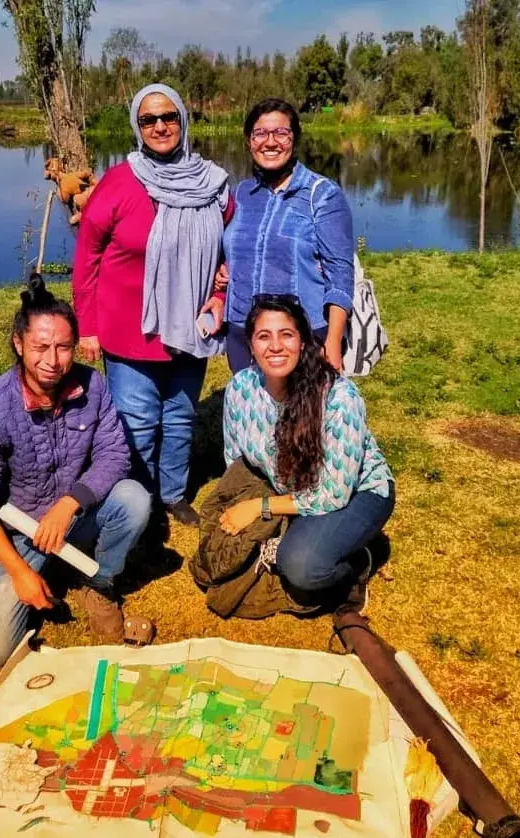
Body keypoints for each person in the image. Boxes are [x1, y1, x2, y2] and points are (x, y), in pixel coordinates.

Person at [0, 275, 152, 665]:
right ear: (18, 344)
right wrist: (19, 571)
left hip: (74, 514)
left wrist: (69, 504)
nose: (52, 360)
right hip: (21, 533)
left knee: (135, 499)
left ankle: (97, 581)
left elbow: (115, 454)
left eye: (63, 347)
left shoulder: (92, 385)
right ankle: (41, 568)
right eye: (40, 347)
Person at [73, 83, 231, 527]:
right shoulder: (119, 182)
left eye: (168, 117)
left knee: (180, 416)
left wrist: (220, 291)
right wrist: (87, 326)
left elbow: (229, 251)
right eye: (149, 120)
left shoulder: (213, 183)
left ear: (183, 120)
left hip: (191, 325)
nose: (160, 126)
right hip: (129, 330)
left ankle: (173, 494)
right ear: (136, 127)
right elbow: (87, 257)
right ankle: (135, 504)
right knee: (137, 422)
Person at [219, 294, 394, 609]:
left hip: (356, 492)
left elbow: (334, 492)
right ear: (250, 344)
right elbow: (236, 462)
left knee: (301, 568)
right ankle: (315, 536)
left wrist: (260, 507)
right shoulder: (240, 389)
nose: (275, 346)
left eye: (286, 334)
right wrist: (238, 504)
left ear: (302, 341)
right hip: (290, 489)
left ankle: (357, 565)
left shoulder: (339, 396)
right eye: (264, 336)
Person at [220, 98, 354, 374]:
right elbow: (231, 251)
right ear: (249, 141)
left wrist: (332, 342)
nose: (270, 142)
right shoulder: (241, 194)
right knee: (252, 414)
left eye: (281, 133)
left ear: (295, 139)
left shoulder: (321, 194)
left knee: (300, 415)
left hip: (300, 336)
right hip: (242, 331)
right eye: (260, 133)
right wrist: (221, 273)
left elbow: (340, 274)